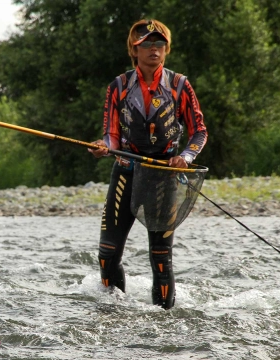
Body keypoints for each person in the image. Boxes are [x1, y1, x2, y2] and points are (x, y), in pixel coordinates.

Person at [88, 19, 207, 309]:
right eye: (147, 44)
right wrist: (104, 147)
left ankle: (164, 321)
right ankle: (113, 312)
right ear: (134, 49)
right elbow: (112, 135)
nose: (154, 49)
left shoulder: (180, 85)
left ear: (166, 49)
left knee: (161, 257)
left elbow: (199, 131)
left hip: (164, 177)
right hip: (126, 172)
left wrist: (187, 156)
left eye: (160, 44)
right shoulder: (118, 86)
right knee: (107, 254)